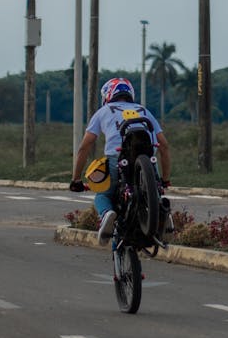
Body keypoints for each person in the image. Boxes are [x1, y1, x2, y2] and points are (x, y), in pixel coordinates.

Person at [70, 77, 171, 243]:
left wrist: (75, 179)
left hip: (118, 160)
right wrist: (165, 180)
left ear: (108, 95)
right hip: (148, 158)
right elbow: (164, 146)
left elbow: (84, 147)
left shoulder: (104, 111)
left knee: (103, 195)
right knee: (157, 191)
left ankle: (107, 214)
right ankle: (163, 212)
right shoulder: (144, 110)